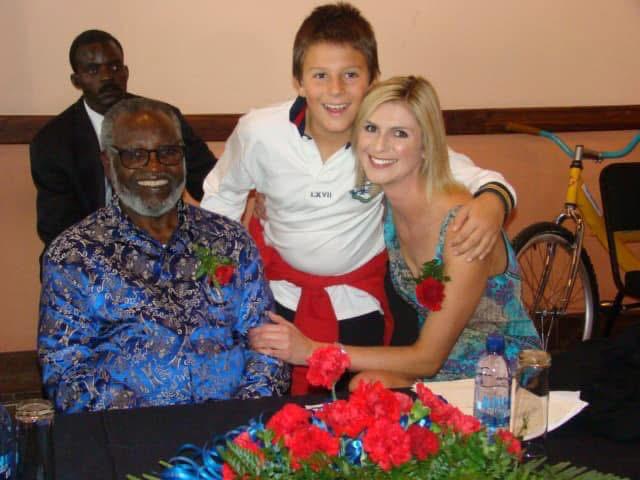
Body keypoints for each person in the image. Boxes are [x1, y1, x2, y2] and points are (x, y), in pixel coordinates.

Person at [201, 3, 515, 394]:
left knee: (355, 399)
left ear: (371, 80)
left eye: (350, 75)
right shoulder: (260, 132)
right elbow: (222, 195)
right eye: (320, 75)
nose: (336, 90)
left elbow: (474, 175)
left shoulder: (383, 138)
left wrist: (494, 202)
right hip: (277, 288)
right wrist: (218, 278)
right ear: (299, 81)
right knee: (260, 395)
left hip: (358, 299)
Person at [250, 76, 541, 387]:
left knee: (366, 386)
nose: (379, 145)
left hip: (497, 371)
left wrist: (312, 351)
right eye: (371, 128)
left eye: (399, 133)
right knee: (366, 386)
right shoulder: (381, 202)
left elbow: (428, 359)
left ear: (427, 146)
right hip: (434, 362)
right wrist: (274, 202)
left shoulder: (463, 228)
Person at [38, 98, 288, 413]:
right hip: (129, 432)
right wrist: (155, 426)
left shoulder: (229, 240)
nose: (154, 167)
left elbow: (268, 346)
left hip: (234, 429)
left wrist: (240, 420)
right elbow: (65, 371)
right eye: (135, 155)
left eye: (168, 152)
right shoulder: (75, 254)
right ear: (108, 163)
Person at [30, 29, 216, 259]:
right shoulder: (52, 142)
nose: (107, 77)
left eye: (115, 67)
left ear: (126, 73)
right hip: (88, 255)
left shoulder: (163, 120)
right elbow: (57, 227)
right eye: (93, 70)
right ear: (76, 81)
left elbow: (211, 184)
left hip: (165, 247)